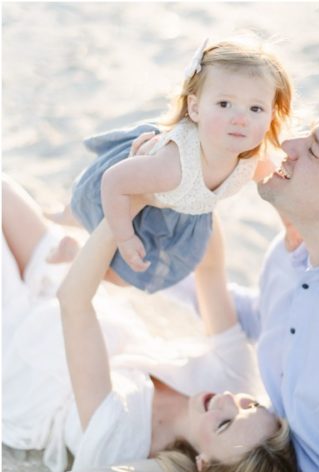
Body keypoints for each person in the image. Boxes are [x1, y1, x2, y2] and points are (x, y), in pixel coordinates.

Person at [19, 100, 319, 472]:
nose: (288, 146)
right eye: (308, 133)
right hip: (246, 462)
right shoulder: (301, 250)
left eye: (313, 150)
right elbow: (259, 317)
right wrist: (125, 268)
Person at [2, 179, 299, 472]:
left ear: (202, 464)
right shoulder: (234, 379)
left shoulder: (122, 441)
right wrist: (200, 183)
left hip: (20, 355)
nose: (227, 402)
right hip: (75, 298)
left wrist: (121, 212)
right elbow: (209, 268)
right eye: (250, 405)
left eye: (224, 423)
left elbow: (74, 302)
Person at [53, 37, 290, 292]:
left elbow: (280, 187)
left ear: (270, 116)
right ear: (196, 108)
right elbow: (113, 181)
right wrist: (125, 237)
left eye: (256, 108)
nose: (241, 118)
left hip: (174, 210)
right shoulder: (173, 165)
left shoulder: (253, 160)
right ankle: (60, 221)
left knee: (124, 277)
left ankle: (72, 250)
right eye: (224, 104)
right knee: (86, 220)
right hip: (130, 191)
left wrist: (294, 226)